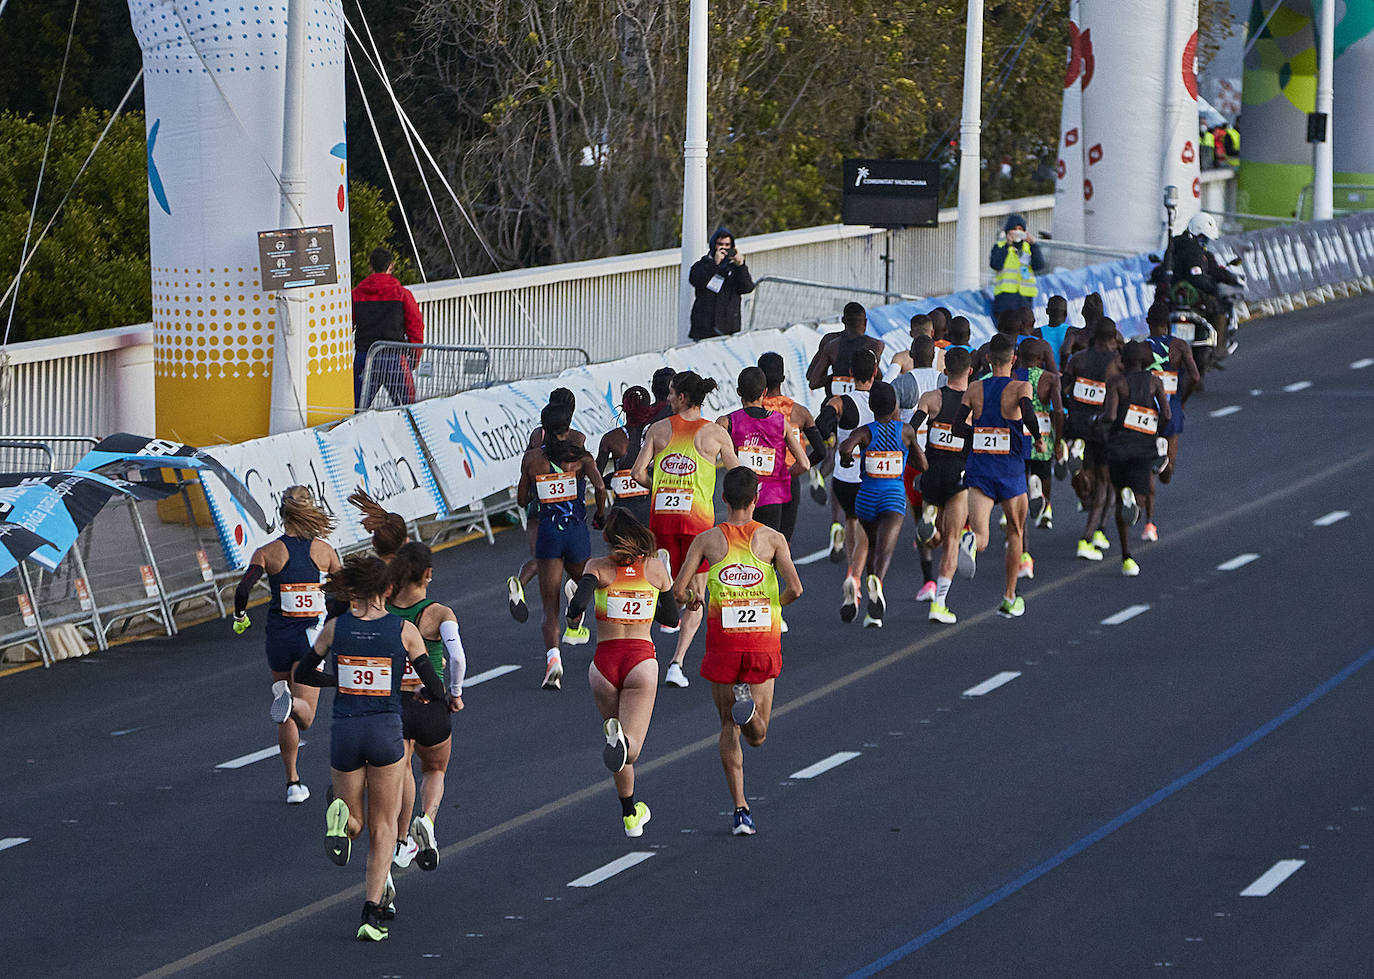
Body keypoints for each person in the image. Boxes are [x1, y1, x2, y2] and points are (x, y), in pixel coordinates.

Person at [292, 555, 449, 942]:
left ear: (352, 591)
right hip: (385, 732)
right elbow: (437, 687)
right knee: (382, 828)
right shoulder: (404, 630)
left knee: (357, 823)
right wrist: (424, 693)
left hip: (345, 732)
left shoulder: (335, 628)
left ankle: (340, 822)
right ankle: (372, 912)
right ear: (388, 590)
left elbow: (302, 673)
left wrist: (339, 681)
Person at [672, 467, 802, 836]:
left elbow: (679, 591)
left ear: (723, 499)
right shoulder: (773, 539)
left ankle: (741, 810)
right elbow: (795, 588)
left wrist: (696, 598)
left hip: (724, 641)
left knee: (727, 725)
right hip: (762, 641)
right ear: (756, 499)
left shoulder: (708, 540)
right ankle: (751, 715)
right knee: (758, 736)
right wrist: (771, 608)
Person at [564, 508, 680, 837]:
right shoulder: (656, 569)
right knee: (632, 748)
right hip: (640, 662)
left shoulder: (597, 568)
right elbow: (671, 619)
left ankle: (630, 815)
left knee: (619, 745)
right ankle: (623, 744)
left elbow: (576, 607)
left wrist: (574, 618)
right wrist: (651, 596)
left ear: (608, 538)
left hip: (603, 665)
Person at [232, 485, 342, 805]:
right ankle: (291, 703)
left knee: (285, 713)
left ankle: (293, 781)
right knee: (304, 715)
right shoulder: (324, 551)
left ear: (281, 513)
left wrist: (240, 615)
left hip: (278, 638)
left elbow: (243, 589)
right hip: (311, 639)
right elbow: (347, 589)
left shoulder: (267, 552)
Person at [632, 371, 740, 689]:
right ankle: (676, 664)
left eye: (669, 393)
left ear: (680, 397)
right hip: (697, 523)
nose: (665, 399)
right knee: (696, 595)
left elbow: (638, 473)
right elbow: (737, 475)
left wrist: (660, 487)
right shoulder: (715, 434)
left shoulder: (658, 429)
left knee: (657, 587)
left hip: (662, 518)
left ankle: (644, 645)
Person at [516, 404, 607, 690]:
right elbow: (601, 488)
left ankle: (553, 661)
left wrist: (541, 487)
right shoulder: (580, 456)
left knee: (548, 606)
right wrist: (600, 514)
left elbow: (522, 500)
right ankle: (576, 618)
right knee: (589, 584)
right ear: (569, 425)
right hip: (576, 531)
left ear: (543, 429)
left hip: (548, 533)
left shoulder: (532, 459)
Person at [386, 542, 465, 874]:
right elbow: (458, 657)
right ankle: (428, 819)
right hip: (430, 704)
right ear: (428, 574)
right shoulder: (439, 613)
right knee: (434, 770)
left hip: (392, 705)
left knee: (401, 772)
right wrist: (455, 693)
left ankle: (401, 841)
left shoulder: (382, 610)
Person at [957, 334, 1045, 618]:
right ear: (1014, 360)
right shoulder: (1021, 386)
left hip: (980, 469)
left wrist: (979, 436)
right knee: (1016, 531)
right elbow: (1029, 415)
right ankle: (1009, 595)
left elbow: (958, 427)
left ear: (988, 360)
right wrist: (1040, 439)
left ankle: (969, 542)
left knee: (981, 535)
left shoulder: (974, 388)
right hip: (1010, 472)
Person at [838, 382, 925, 627]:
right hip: (893, 497)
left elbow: (846, 447)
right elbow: (923, 465)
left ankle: (864, 596)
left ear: (872, 407)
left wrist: (846, 461)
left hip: (865, 497)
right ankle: (877, 580)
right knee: (884, 550)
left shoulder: (865, 431)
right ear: (895, 405)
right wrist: (912, 458)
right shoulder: (905, 431)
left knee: (871, 543)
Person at [507, 389, 586, 622]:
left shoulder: (536, 434)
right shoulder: (577, 438)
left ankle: (518, 584)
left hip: (537, 504)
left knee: (543, 559)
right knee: (574, 561)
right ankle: (574, 600)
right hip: (567, 508)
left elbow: (528, 464)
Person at [910, 346, 974, 623]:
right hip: (959, 475)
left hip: (932, 472)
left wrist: (919, 460)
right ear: (970, 371)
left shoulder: (931, 398)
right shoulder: (975, 404)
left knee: (933, 536)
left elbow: (910, 431)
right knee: (951, 541)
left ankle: (928, 517)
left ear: (944, 370)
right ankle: (940, 603)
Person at [814, 348, 878, 618]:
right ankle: (855, 578)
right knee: (866, 535)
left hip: (842, 477)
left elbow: (821, 422)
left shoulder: (840, 401)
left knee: (851, 522)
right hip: (868, 477)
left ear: (851, 374)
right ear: (874, 373)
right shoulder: (882, 401)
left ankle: (852, 568)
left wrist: (830, 438)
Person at [1100, 341, 1171, 576]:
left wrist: (1100, 423)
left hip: (1118, 447)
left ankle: (1126, 557)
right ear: (1144, 361)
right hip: (1143, 447)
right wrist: (1155, 431)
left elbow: (1110, 415)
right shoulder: (1154, 381)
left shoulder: (1115, 382)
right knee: (1141, 498)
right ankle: (1135, 500)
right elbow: (1167, 415)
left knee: (1120, 501)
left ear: (1123, 362)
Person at [717, 366, 809, 533]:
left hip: (741, 498)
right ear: (765, 392)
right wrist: (782, 477)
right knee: (769, 553)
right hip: (771, 497)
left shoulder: (726, 422)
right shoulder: (781, 422)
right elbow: (804, 463)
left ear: (738, 392)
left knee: (741, 552)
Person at [1062, 318, 1123, 560]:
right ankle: (1088, 538)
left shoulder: (1078, 359)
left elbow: (1062, 390)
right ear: (1112, 338)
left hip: (1077, 423)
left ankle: (1099, 529)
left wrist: (1074, 410)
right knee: (1105, 484)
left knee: (1087, 476)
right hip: (1104, 429)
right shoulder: (1117, 364)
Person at [890, 336, 943, 598]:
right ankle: (940, 525)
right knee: (948, 513)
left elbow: (889, 411)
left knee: (918, 514)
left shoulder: (902, 383)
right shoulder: (943, 382)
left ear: (911, 355)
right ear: (934, 356)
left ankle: (928, 581)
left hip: (913, 457)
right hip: (941, 454)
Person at [1142, 301, 1200, 540]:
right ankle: (1164, 456)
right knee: (1167, 475)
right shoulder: (1180, 345)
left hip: (1146, 411)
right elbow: (1195, 377)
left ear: (1147, 323)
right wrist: (1181, 400)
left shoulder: (1139, 348)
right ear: (1168, 324)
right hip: (1172, 409)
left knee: (1148, 471)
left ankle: (1149, 525)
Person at [758, 351, 826, 542]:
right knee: (783, 542)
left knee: (757, 542)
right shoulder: (800, 412)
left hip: (761, 482)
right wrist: (797, 469)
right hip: (789, 479)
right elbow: (821, 451)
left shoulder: (753, 412)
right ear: (783, 378)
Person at [353, 248, 424, 410]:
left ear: (370, 267)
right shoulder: (402, 294)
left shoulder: (356, 295)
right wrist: (414, 357)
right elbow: (416, 327)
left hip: (365, 356)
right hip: (394, 357)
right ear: (391, 266)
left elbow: (345, 325)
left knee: (354, 408)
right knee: (408, 409)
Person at [596, 385, 658, 526]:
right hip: (651, 507)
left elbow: (597, 479)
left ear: (624, 408)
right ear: (648, 407)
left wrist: (599, 514)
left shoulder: (610, 438)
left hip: (622, 510)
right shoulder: (659, 434)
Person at [689, 227, 755, 340]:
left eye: (727, 245)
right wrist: (714, 264)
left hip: (728, 326)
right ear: (714, 245)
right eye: (720, 244)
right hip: (705, 326)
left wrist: (741, 266)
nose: (723, 248)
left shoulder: (734, 268)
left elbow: (747, 287)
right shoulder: (702, 264)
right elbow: (696, 281)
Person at [989, 214, 1046, 317]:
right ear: (1008, 231)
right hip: (1005, 298)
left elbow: (1039, 265)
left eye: (1020, 229)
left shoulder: (1029, 248)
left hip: (1025, 297)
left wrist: (1034, 245)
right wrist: (1008, 245)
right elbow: (995, 264)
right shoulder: (1000, 246)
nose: (1017, 232)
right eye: (1014, 229)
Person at [1036, 296, 1072, 370]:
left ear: (1047, 311)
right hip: (1066, 376)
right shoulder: (1073, 332)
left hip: (1044, 377)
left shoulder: (1036, 333)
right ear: (1066, 313)